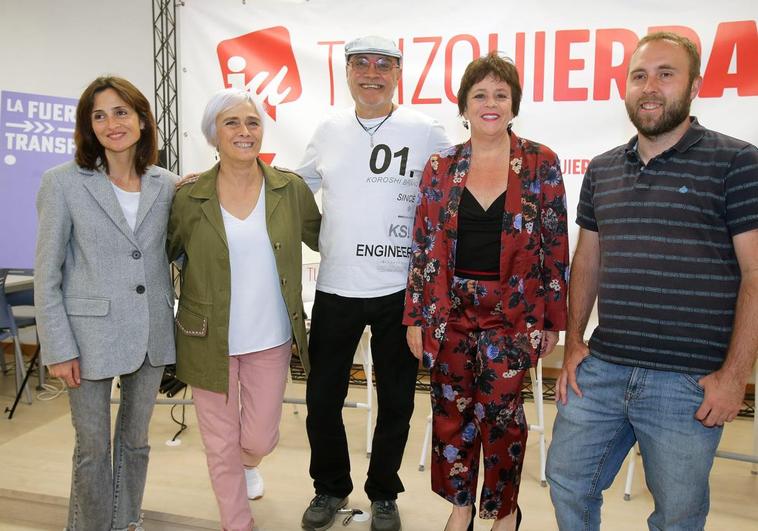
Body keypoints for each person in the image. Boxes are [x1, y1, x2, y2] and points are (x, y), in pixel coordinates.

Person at [546, 32, 758, 531]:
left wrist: (735, 377)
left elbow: (755, 274)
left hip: (687, 382)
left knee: (678, 515)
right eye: (640, 75)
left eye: (666, 74)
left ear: (694, 85)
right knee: (567, 482)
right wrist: (574, 341)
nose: (651, 87)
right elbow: (588, 262)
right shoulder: (601, 170)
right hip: (604, 368)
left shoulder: (737, 162)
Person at [404, 53, 569, 531]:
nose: (491, 104)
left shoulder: (541, 163)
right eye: (480, 95)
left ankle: (504, 509)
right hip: (449, 312)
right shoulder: (441, 165)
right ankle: (460, 508)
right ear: (464, 106)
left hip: (512, 315)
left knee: (502, 418)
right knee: (451, 414)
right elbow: (423, 246)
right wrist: (416, 316)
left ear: (514, 104)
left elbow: (555, 246)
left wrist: (552, 321)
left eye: (501, 95)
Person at [296, 35, 451, 531]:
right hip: (336, 287)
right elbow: (289, 190)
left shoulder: (425, 130)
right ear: (346, 72)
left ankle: (384, 491)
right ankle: (330, 487)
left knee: (398, 403)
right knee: (321, 399)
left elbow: (459, 187)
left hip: (399, 294)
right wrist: (214, 180)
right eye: (360, 64)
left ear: (398, 74)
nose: (371, 73)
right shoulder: (327, 130)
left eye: (383, 65)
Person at [167, 88, 320, 531]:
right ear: (213, 134)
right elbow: (164, 251)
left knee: (258, 437)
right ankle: (237, 522)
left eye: (252, 122)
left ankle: (246, 463)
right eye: (231, 123)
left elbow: (325, 238)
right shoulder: (188, 196)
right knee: (218, 443)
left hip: (269, 336)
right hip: (205, 338)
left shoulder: (288, 189)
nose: (244, 131)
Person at [34, 76, 177, 531]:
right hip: (86, 335)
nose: (111, 123)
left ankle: (127, 522)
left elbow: (183, 252)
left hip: (152, 331)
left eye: (120, 112)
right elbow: (47, 272)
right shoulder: (62, 183)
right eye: (99, 115)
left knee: (135, 443)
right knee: (92, 447)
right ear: (88, 125)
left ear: (140, 119)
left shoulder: (169, 185)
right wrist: (58, 346)